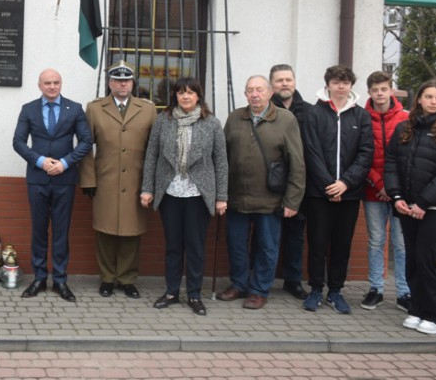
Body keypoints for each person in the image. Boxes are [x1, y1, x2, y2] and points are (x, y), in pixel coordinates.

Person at [140, 77, 228, 316]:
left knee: (196, 246)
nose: (186, 97)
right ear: (175, 96)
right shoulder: (163, 121)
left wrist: (221, 196)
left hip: (198, 193)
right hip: (170, 191)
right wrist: (147, 189)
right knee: (173, 246)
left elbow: (221, 161)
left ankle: (194, 295)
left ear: (199, 96)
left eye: (191, 92)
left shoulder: (211, 123)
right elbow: (152, 156)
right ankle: (171, 292)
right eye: (181, 93)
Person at [219, 75, 305, 310]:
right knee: (236, 244)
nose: (254, 94)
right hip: (236, 197)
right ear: (245, 94)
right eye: (250, 90)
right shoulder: (236, 117)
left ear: (269, 93)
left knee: (267, 246)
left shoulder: (286, 119)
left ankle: (259, 290)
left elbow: (297, 162)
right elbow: (222, 157)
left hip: (270, 199)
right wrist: (220, 194)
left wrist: (292, 200)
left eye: (259, 90)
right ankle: (239, 284)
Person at [12, 68, 92, 302]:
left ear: (61, 84)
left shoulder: (74, 109)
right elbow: (18, 141)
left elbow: (86, 140)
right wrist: (40, 160)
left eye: (56, 82)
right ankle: (39, 278)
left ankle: (60, 280)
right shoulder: (29, 109)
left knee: (60, 231)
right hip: (38, 178)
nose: (52, 86)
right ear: (39, 85)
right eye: (47, 83)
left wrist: (66, 163)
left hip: (64, 180)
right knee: (38, 230)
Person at [79, 61, 156, 298]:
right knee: (105, 231)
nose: (122, 84)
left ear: (133, 83)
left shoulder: (148, 109)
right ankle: (107, 278)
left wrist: (150, 184)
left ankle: (127, 279)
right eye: (117, 80)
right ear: (110, 83)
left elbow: (154, 150)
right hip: (106, 180)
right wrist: (88, 180)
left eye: (126, 80)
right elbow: (85, 146)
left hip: (136, 181)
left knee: (132, 232)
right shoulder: (94, 108)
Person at [301, 65, 373, 314]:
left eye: (345, 82)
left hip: (350, 193)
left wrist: (345, 183)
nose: (341, 86)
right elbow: (311, 151)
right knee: (318, 243)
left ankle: (335, 291)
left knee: (342, 244)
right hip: (319, 193)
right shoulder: (314, 113)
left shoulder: (361, 116)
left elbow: (366, 154)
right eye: (336, 82)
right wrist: (329, 184)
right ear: (328, 84)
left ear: (351, 85)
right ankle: (315, 290)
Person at [385, 79, 436, 336]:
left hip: (433, 209)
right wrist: (397, 197)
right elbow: (391, 163)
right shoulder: (404, 128)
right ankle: (416, 309)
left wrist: (424, 203)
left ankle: (433, 314)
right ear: (419, 99)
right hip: (406, 206)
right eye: (428, 96)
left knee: (427, 259)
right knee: (412, 259)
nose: (433, 101)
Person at [361, 71, 410, 312]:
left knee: (401, 243)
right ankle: (376, 289)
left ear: (391, 90)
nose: (380, 94)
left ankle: (403, 291)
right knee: (376, 241)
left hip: (400, 193)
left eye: (384, 89)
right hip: (373, 192)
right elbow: (361, 156)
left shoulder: (405, 118)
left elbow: (408, 158)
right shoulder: (362, 118)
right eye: (375, 90)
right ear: (369, 92)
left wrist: (393, 189)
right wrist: (380, 185)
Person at [268, 63, 313, 300]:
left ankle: (293, 280)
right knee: (265, 234)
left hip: (299, 182)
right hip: (268, 182)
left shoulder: (309, 111)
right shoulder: (263, 109)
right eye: (279, 80)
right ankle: (261, 279)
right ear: (271, 85)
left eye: (288, 79)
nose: (285, 83)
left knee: (295, 234)